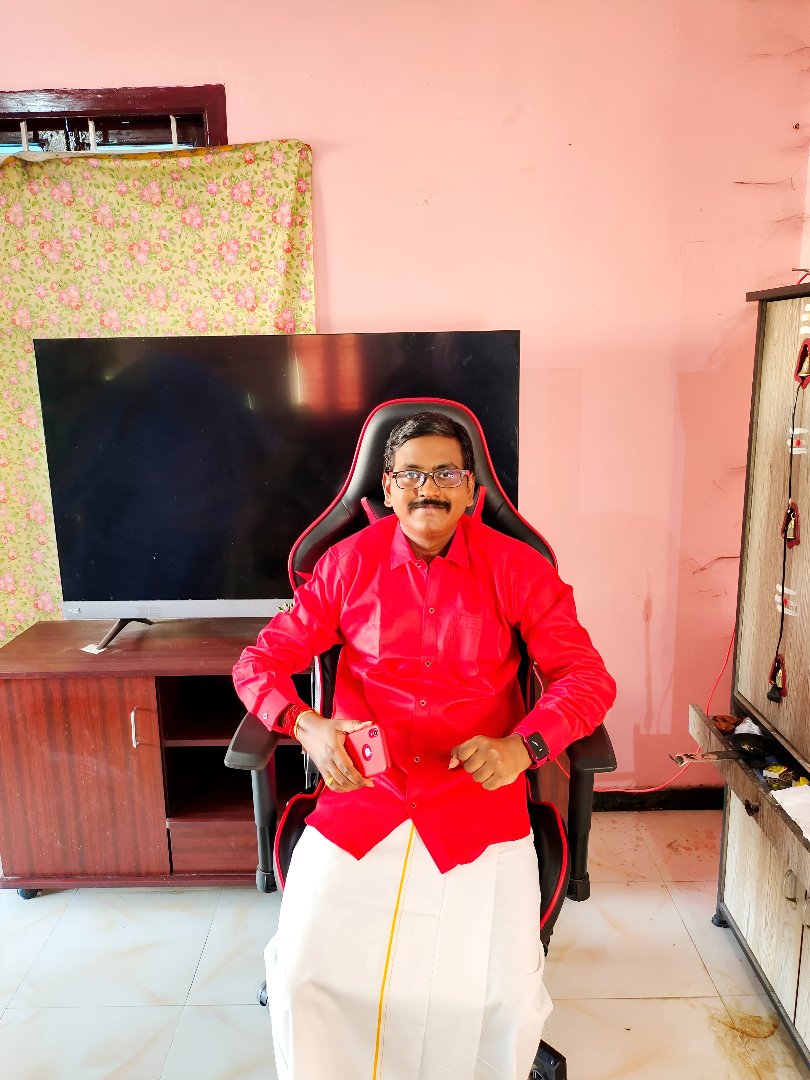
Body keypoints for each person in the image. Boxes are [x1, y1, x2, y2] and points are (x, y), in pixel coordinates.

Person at [232, 411, 616, 1080]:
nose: (426, 488)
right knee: (300, 980)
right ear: (385, 488)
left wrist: (523, 748)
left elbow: (587, 679)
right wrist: (305, 725)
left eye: (445, 474)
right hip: (362, 800)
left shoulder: (517, 570)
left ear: (472, 490)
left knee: (496, 999)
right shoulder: (346, 564)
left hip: (476, 802)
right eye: (410, 474)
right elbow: (258, 665)